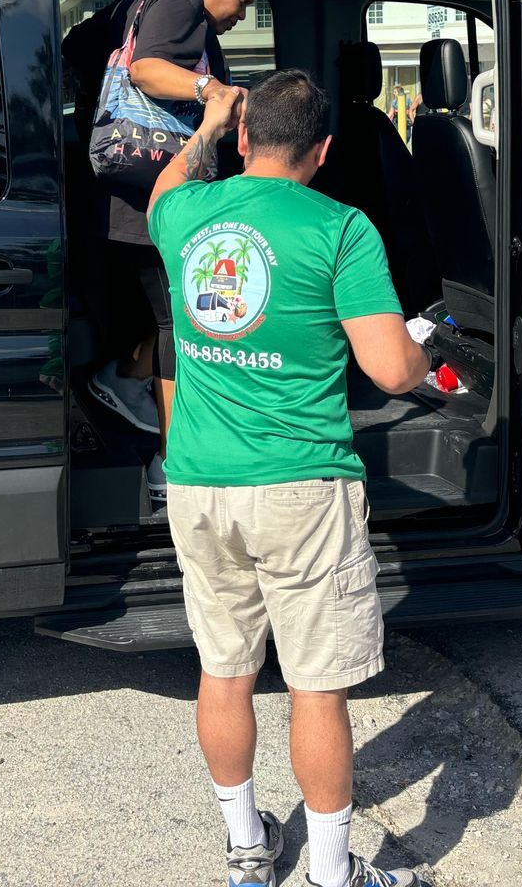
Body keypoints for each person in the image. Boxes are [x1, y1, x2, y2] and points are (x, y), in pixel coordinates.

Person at [147, 71, 429, 887]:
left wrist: (208, 118)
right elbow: (387, 367)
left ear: (243, 138)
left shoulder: (187, 213)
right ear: (325, 150)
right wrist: (422, 355)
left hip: (200, 483)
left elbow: (169, 178)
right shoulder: (341, 228)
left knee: (224, 672)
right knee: (316, 687)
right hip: (302, 488)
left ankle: (246, 852)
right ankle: (333, 875)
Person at [87, 0, 266, 502]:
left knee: (173, 318)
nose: (241, 14)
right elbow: (146, 71)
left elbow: (83, 49)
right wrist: (214, 91)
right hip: (157, 198)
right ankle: (172, 464)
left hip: (135, 197)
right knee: (181, 327)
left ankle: (117, 378)